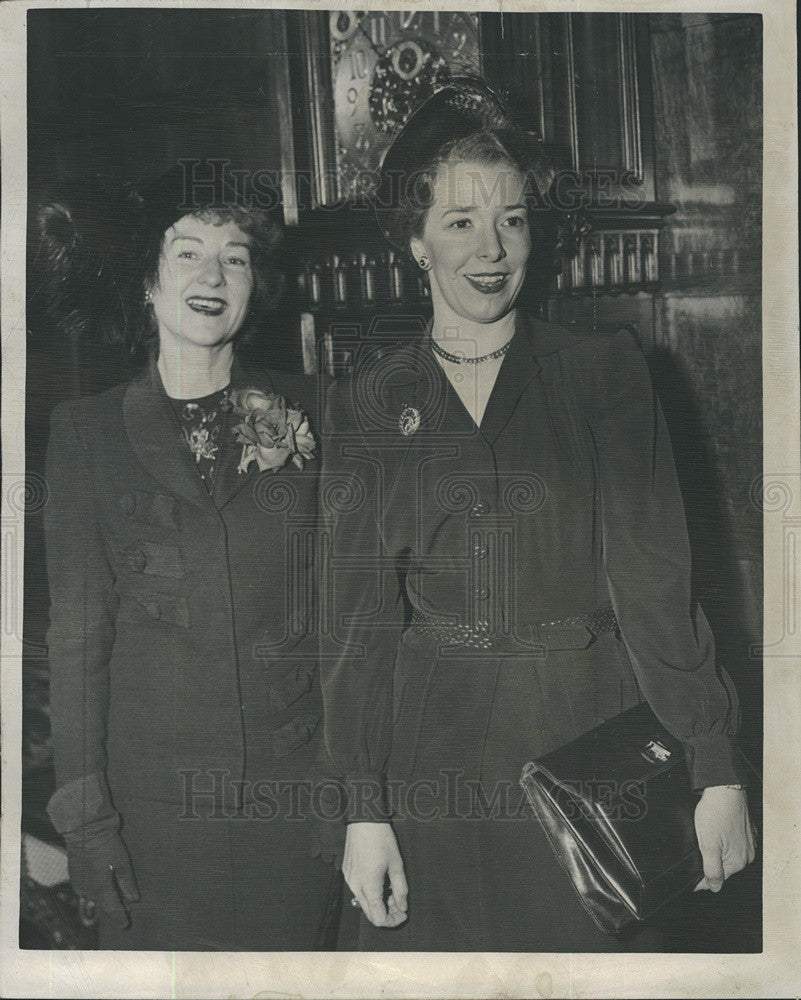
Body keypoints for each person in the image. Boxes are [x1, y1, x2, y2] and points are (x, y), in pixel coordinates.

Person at [319, 80, 756, 951]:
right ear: (414, 242)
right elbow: (354, 627)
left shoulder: (604, 372)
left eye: (511, 220)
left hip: (586, 745)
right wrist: (360, 809)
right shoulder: (365, 401)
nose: (491, 249)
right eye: (459, 223)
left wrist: (714, 768)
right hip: (430, 758)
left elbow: (655, 583)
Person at [41, 164, 333, 949]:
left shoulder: (318, 411)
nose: (213, 274)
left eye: (235, 257)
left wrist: (350, 796)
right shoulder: (86, 432)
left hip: (293, 805)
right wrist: (87, 822)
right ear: (147, 279)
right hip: (150, 817)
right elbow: (75, 642)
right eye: (188, 252)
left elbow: (352, 619)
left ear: (253, 285)